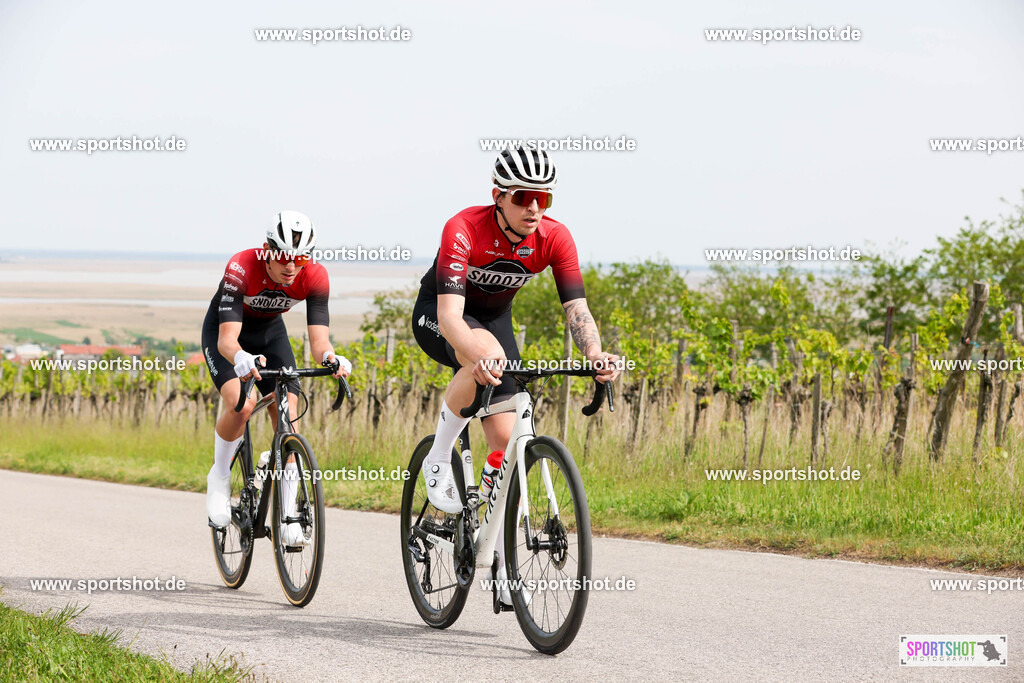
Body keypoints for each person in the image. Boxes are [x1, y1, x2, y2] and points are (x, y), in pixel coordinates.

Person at [411, 148, 620, 603]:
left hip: (496, 321)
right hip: (441, 315)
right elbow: (450, 317)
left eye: (544, 198)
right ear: (498, 196)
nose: (534, 208)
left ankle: (500, 556)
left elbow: (577, 310)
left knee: (509, 447)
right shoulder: (463, 228)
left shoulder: (554, 237)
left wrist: (595, 353)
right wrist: (479, 355)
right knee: (484, 354)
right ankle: (438, 456)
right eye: (524, 197)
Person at [202, 211, 350, 546]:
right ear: (267, 250)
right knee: (243, 404)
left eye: (300, 258)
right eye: (283, 257)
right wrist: (240, 357)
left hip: (270, 335)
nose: (291, 266)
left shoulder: (315, 276)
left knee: (288, 416)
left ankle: (289, 516)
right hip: (226, 335)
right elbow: (227, 340)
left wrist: (331, 358)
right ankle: (219, 477)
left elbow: (319, 343)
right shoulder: (241, 266)